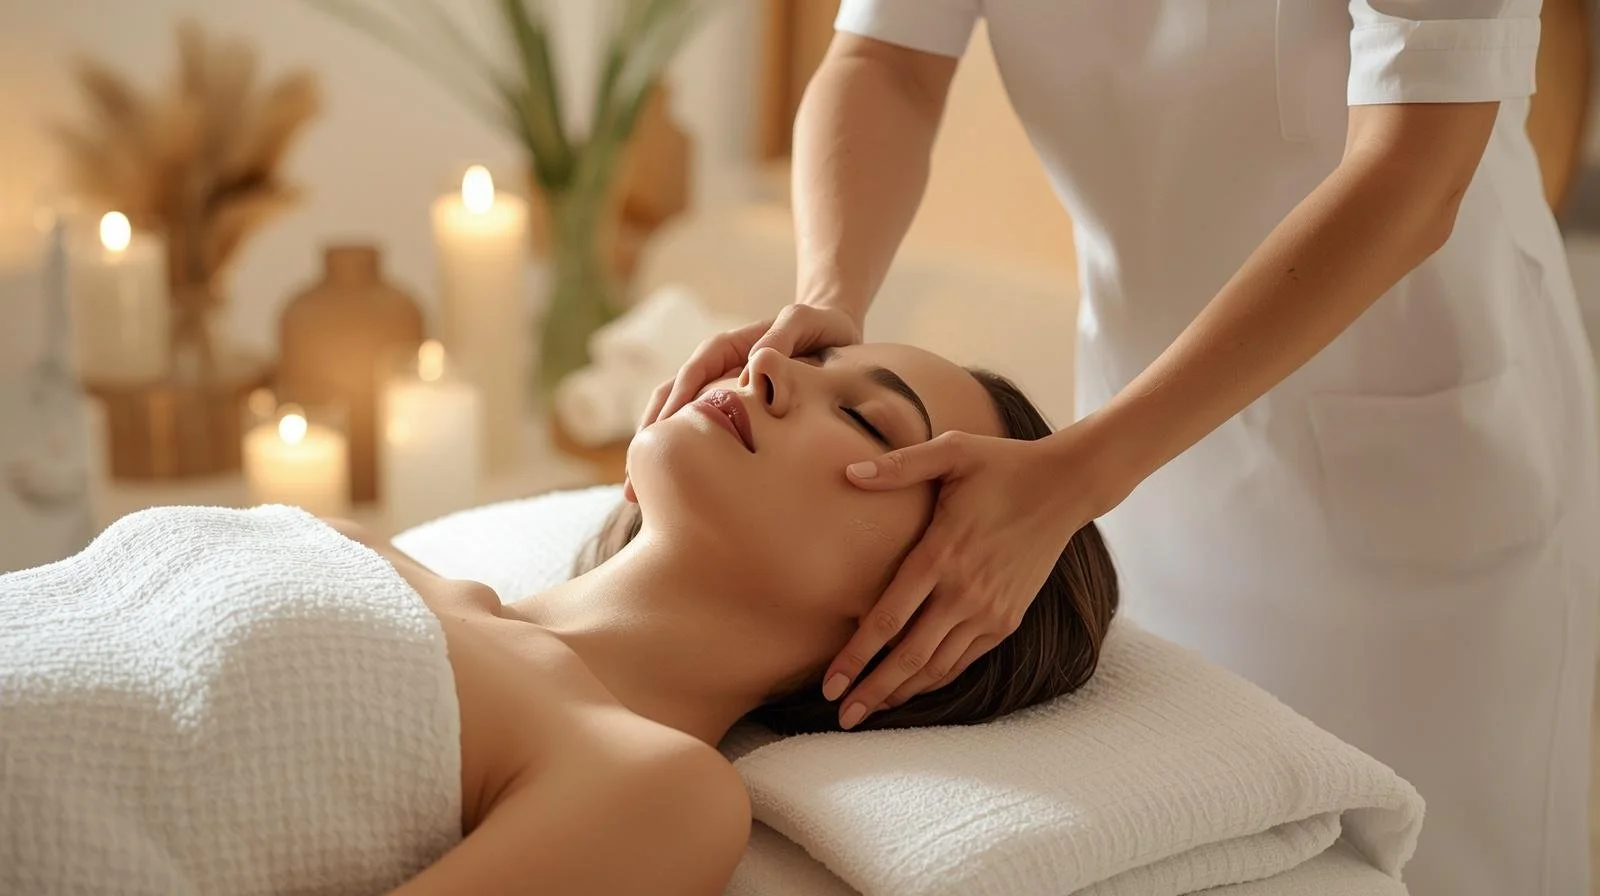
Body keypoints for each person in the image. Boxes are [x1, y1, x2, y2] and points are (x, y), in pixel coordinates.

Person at [639, 4, 1600, 895]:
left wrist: (1083, 474)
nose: (776, 383)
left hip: (1421, 480)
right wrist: (830, 305)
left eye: (870, 424)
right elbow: (887, 61)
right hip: (1134, 452)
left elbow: (1415, 169)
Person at [0, 343, 1119, 895]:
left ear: (936, 596)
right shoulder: (361, 545)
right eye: (809, 356)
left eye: (868, 418)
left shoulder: (654, 787)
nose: (771, 362)